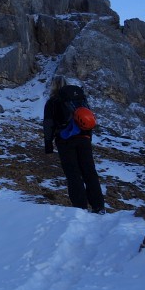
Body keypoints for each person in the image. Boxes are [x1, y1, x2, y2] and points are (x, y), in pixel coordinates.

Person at [43, 75, 104, 213]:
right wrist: (88, 137)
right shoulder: (79, 99)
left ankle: (80, 208)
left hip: (65, 141)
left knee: (73, 174)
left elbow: (48, 124)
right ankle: (99, 206)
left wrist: (48, 144)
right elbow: (89, 117)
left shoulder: (53, 101)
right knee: (89, 172)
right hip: (84, 137)